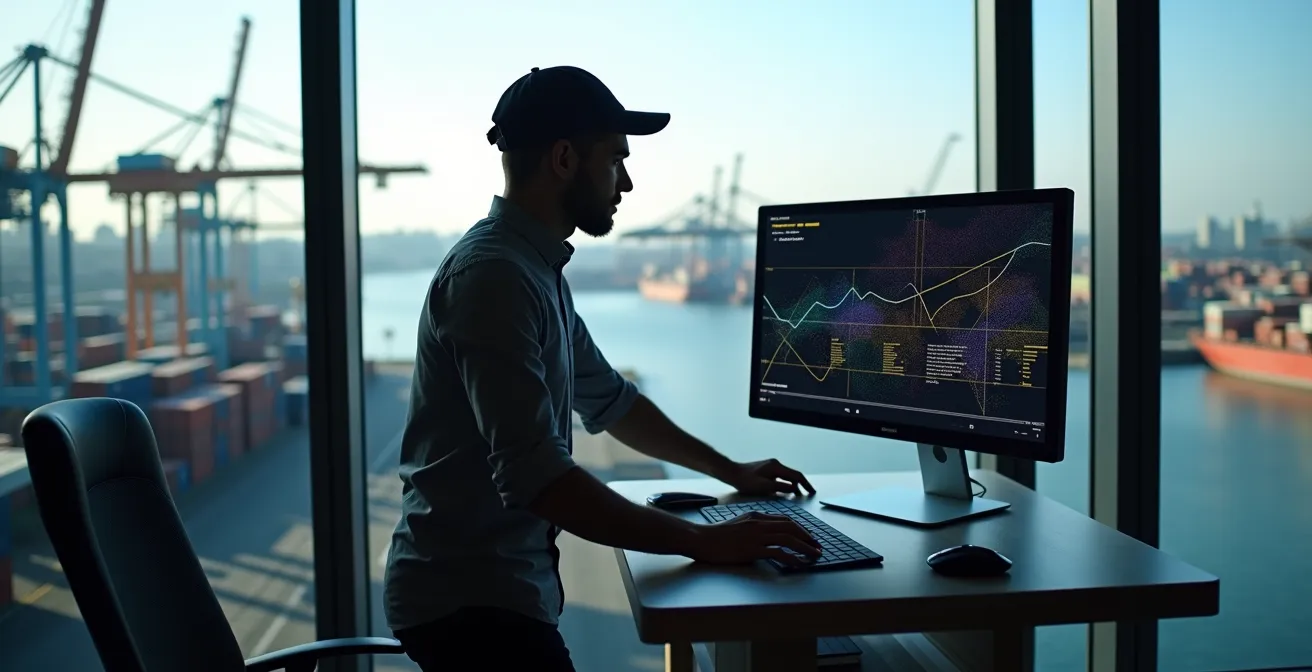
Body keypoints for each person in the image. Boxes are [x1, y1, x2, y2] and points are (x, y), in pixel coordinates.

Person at [383, 66, 822, 672]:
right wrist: (705, 541)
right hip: (469, 607)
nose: (629, 182)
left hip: (499, 595)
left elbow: (613, 402)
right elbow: (538, 478)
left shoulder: (533, 271)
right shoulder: (494, 278)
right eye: (616, 160)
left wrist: (731, 470)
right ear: (564, 158)